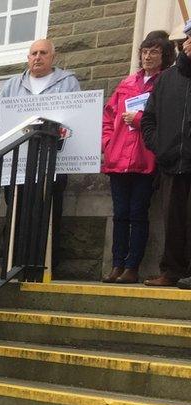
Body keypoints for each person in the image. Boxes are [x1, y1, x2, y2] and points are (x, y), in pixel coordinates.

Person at [0, 39, 81, 270]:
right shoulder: (12, 84)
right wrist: (18, 122)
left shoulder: (68, 82)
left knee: (47, 211)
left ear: (52, 57)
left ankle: (44, 263)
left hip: (52, 162)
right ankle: (13, 262)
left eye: (43, 53)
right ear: (28, 58)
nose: (37, 57)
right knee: (16, 211)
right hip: (18, 160)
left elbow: (78, 113)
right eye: (33, 53)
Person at [101, 32, 173, 284]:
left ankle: (132, 266)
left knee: (137, 213)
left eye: (154, 51)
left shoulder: (166, 83)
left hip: (146, 160)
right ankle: (117, 264)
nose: (147, 56)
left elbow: (168, 120)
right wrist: (108, 144)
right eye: (144, 51)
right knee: (120, 213)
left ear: (164, 56)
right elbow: (108, 117)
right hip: (118, 158)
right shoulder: (127, 83)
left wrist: (141, 120)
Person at [143, 35, 191, 288]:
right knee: (172, 219)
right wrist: (159, 146)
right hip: (172, 162)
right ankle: (171, 270)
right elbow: (148, 119)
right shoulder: (166, 80)